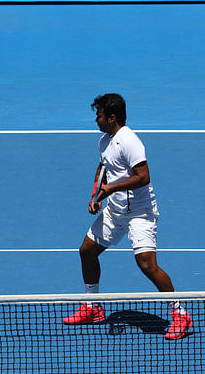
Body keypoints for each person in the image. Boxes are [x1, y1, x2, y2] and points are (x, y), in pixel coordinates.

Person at [63, 93, 192, 340]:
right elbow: (103, 167)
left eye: (99, 115)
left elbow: (144, 176)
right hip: (115, 210)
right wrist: (96, 196)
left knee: (147, 264)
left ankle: (180, 315)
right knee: (87, 251)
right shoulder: (104, 141)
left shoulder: (130, 141)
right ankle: (92, 307)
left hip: (140, 214)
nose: (96, 120)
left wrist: (111, 188)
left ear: (112, 118)